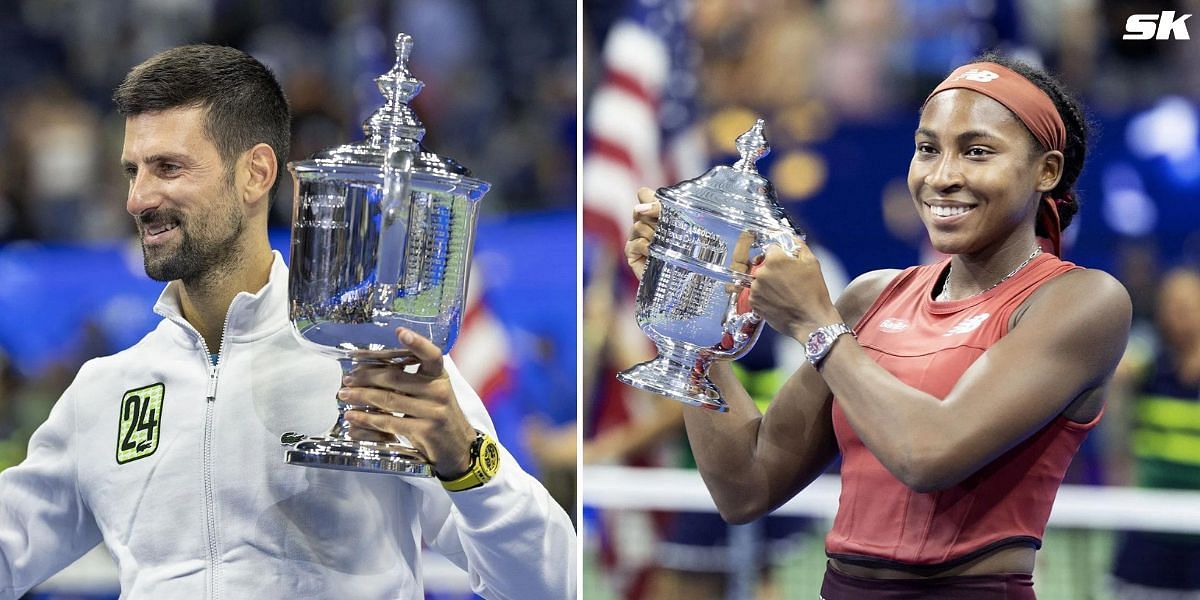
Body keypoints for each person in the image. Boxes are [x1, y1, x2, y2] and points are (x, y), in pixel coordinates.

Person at [0, 44, 575, 599]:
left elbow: (550, 585)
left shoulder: (378, 367)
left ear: (256, 173)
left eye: (168, 168)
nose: (138, 198)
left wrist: (468, 462)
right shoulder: (105, 390)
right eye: (133, 171)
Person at [626, 53, 1131, 598]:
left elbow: (930, 454)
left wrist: (816, 323)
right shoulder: (872, 297)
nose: (943, 176)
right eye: (927, 149)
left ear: (1046, 171)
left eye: (977, 151)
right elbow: (746, 487)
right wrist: (689, 309)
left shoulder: (1082, 300)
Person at [1109, 267, 1200, 596]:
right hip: (1149, 535)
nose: (1179, 316)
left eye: (1188, 306)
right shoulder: (1146, 370)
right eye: (1171, 306)